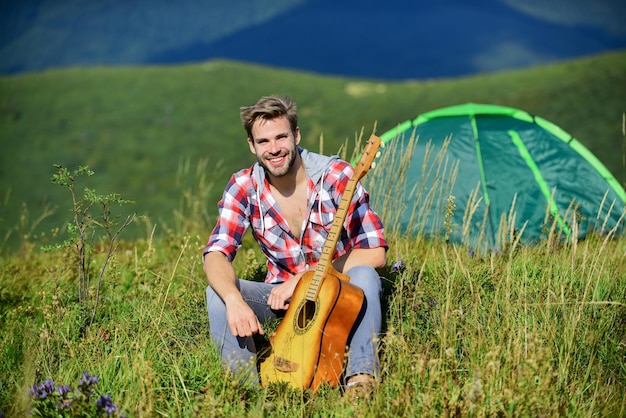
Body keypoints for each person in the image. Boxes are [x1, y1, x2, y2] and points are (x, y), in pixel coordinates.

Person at [203, 95, 388, 397]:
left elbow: (375, 252)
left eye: (281, 137)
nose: (273, 148)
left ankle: (361, 379)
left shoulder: (337, 176)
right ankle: (244, 393)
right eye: (263, 141)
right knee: (218, 293)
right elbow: (216, 253)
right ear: (252, 145)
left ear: (296, 135)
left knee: (367, 276)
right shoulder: (243, 186)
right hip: (281, 302)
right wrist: (235, 300)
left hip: (335, 293)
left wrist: (305, 277)